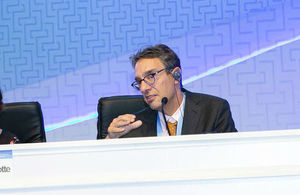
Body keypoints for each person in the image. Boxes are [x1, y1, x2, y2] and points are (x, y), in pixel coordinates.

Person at [106, 44, 237, 139]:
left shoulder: (214, 111)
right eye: (140, 81)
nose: (143, 88)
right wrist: (110, 140)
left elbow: (234, 156)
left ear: (176, 76)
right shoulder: (134, 125)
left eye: (151, 76)